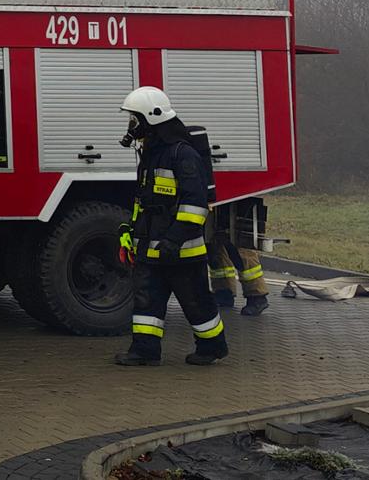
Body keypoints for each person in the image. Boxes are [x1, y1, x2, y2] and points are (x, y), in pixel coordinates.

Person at [115, 86, 229, 367]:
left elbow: (195, 203)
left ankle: (212, 347)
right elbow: (145, 201)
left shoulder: (183, 155)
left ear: (151, 118)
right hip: (150, 249)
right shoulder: (150, 155)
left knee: (196, 303)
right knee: (146, 303)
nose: (131, 126)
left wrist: (174, 240)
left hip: (182, 251)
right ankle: (144, 351)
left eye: (134, 119)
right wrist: (129, 230)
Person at [207, 208, 270, 316]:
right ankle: (224, 291)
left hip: (233, 204)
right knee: (216, 245)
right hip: (214, 204)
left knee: (241, 250)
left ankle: (257, 296)